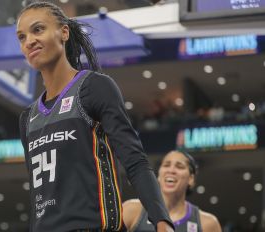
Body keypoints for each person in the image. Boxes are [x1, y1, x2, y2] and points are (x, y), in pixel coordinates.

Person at [16, 2, 174, 231]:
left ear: (64, 32)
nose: (29, 41)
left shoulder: (93, 87)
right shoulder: (27, 118)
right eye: (22, 37)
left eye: (38, 29)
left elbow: (134, 160)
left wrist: (162, 220)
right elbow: (39, 196)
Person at [123, 150, 222, 232]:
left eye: (179, 166)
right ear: (159, 175)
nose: (171, 170)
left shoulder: (208, 223)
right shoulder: (132, 209)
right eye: (166, 165)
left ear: (191, 179)